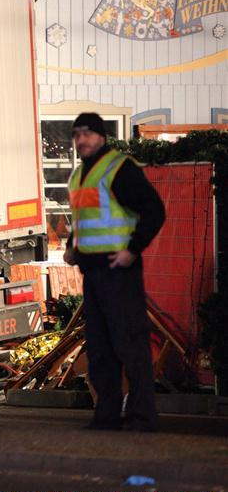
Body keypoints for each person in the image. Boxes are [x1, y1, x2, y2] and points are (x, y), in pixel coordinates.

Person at [64, 113, 165, 432]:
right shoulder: (80, 175)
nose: (81, 140)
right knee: (101, 349)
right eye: (77, 134)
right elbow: (84, 218)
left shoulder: (118, 168)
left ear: (102, 136)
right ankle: (107, 414)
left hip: (119, 272)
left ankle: (141, 416)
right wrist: (71, 246)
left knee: (130, 346)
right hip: (93, 273)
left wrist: (132, 249)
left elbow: (154, 210)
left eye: (88, 133)